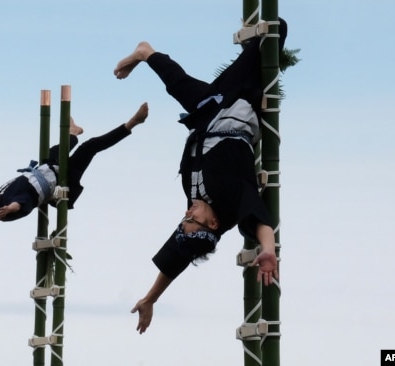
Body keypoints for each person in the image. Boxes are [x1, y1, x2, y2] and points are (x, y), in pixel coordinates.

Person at [113, 18, 287, 333]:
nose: (187, 211)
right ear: (213, 224)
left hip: (205, 113)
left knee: (177, 84)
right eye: (192, 218)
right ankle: (148, 53)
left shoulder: (199, 215)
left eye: (185, 219)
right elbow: (260, 221)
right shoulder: (232, 200)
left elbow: (176, 257)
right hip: (235, 104)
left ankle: (145, 52)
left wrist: (151, 298)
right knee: (275, 31)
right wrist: (268, 251)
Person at [0, 103, 149, 221]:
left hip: (47, 169)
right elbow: (22, 205)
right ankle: (132, 123)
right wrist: (12, 209)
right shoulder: (4, 208)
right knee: (90, 147)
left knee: (58, 149)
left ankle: (73, 132)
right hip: (62, 180)